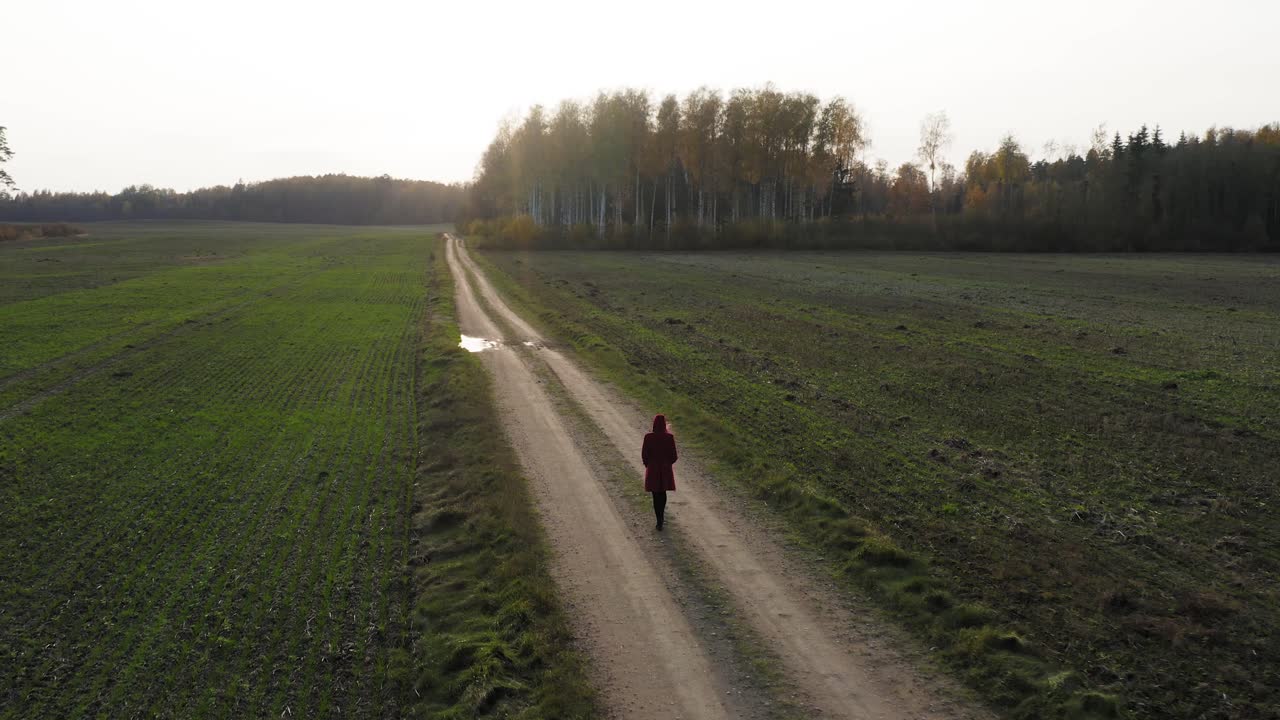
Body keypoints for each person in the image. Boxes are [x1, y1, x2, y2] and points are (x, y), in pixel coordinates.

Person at [641, 414, 678, 530]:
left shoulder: (648, 437)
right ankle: (662, 517)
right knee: (663, 493)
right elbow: (674, 456)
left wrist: (648, 464)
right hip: (665, 469)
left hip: (653, 469)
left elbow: (644, 455)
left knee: (655, 495)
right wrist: (667, 464)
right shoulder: (669, 437)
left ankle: (659, 520)